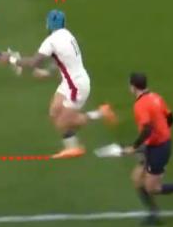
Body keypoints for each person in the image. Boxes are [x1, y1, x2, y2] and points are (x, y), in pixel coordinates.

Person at [9, 10, 116, 158]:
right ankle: (74, 141)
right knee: (54, 112)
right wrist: (47, 73)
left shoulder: (51, 41)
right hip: (70, 82)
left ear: (49, 24)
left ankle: (95, 121)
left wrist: (13, 60)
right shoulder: (67, 35)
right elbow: (60, 59)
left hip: (76, 86)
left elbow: (34, 62)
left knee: (63, 122)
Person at [120, 72, 173, 225]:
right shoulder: (156, 97)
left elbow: (146, 129)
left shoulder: (140, 105)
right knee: (137, 179)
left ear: (133, 87)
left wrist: (134, 147)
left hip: (159, 149)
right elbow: (170, 117)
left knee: (153, 188)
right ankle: (153, 213)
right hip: (154, 145)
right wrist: (162, 131)